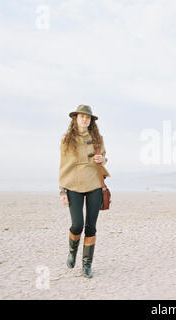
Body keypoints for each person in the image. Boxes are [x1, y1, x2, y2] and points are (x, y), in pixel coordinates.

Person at [59, 104, 111, 278]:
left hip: (94, 185)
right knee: (77, 225)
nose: (84, 119)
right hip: (73, 186)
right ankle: (72, 252)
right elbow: (63, 166)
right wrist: (62, 191)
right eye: (81, 117)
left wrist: (102, 158)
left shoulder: (97, 139)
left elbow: (105, 156)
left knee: (91, 226)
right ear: (75, 119)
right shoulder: (67, 140)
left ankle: (87, 265)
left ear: (91, 121)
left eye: (87, 117)